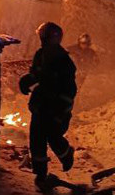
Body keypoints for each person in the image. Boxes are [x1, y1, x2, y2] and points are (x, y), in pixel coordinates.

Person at [19, 22, 77, 189]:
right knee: (36, 139)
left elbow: (69, 89)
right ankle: (41, 174)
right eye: (42, 38)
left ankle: (66, 154)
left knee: (53, 137)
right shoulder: (41, 54)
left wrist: (63, 110)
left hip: (56, 107)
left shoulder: (64, 61)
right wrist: (27, 80)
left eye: (46, 38)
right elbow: (37, 73)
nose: (43, 41)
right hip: (41, 105)